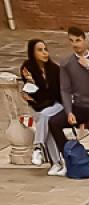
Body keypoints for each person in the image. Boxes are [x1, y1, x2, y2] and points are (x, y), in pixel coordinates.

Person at [50, 27, 89, 179]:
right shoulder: (66, 63)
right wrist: (69, 111)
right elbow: (65, 89)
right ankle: (69, 160)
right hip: (79, 106)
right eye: (71, 41)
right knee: (54, 122)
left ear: (85, 40)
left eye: (78, 40)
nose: (75, 44)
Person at [19, 39, 64, 172]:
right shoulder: (27, 68)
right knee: (45, 123)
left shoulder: (54, 69)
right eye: (40, 50)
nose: (44, 53)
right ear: (32, 53)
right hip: (41, 106)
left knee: (43, 117)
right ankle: (56, 163)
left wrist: (36, 90)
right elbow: (35, 95)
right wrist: (31, 82)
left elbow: (54, 94)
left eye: (45, 49)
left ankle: (38, 147)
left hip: (59, 104)